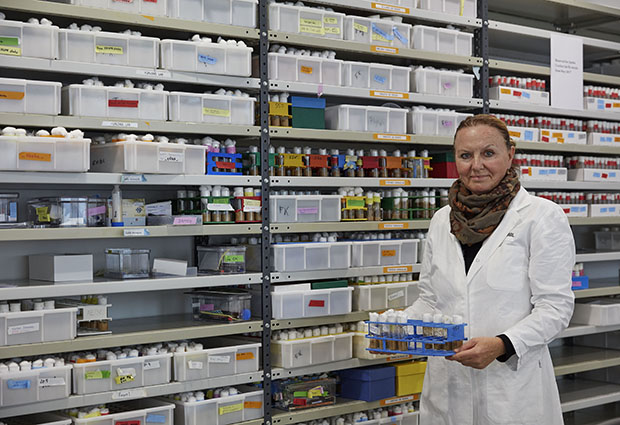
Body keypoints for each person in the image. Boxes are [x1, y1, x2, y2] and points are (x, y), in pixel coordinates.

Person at [407, 114, 575, 425]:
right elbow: (430, 300)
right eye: (465, 155)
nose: (476, 165)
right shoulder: (442, 220)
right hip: (447, 386)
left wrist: (502, 345)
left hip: (511, 390)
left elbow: (555, 308)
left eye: (488, 153)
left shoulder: (541, 217)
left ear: (510, 154)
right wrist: (396, 328)